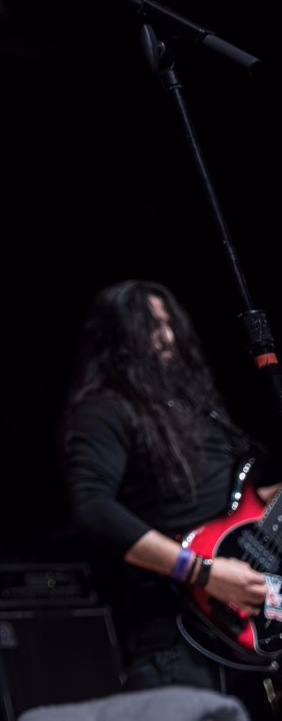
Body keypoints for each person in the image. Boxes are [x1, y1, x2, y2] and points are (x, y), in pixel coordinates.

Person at [64, 280, 277, 695]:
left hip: (246, 623)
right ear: (115, 338)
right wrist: (202, 572)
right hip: (177, 631)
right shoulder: (104, 408)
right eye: (148, 326)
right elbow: (91, 506)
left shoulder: (195, 406)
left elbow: (238, 499)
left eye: (167, 324)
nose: (164, 337)